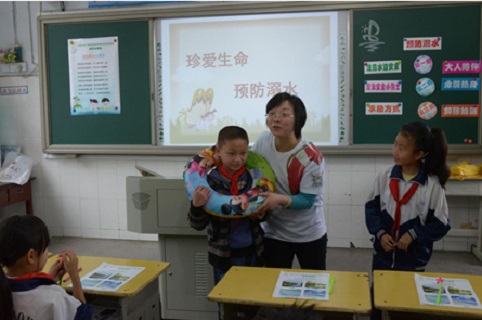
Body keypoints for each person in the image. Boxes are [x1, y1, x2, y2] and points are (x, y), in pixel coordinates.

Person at [365, 122, 451, 320]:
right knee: (377, 299)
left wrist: (414, 234)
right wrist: (380, 233)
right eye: (395, 144)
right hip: (383, 255)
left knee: (406, 305)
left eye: (402, 148)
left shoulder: (432, 186)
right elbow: (371, 208)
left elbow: (441, 223)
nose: (395, 151)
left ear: (419, 154)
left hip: (412, 260)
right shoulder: (384, 177)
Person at [252, 92, 327, 270]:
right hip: (274, 232)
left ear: (298, 121)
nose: (276, 119)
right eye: (272, 114)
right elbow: (253, 169)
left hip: (308, 234)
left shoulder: (311, 158)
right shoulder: (264, 140)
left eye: (284, 114)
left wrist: (277, 199)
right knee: (272, 286)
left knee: (313, 287)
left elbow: (308, 200)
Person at [187, 126, 265, 284]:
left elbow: (264, 215)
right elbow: (196, 224)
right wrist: (196, 206)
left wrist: (263, 214)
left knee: (254, 299)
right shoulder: (208, 183)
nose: (238, 159)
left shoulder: (253, 180)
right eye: (231, 153)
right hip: (223, 255)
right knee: (226, 301)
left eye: (243, 153)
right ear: (218, 151)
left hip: (253, 251)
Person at [0, 215, 92, 320]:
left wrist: (47, 278)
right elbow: (83, 315)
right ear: (31, 256)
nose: (47, 252)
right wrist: (74, 276)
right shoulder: (54, 297)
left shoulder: (4, 288)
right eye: (46, 248)